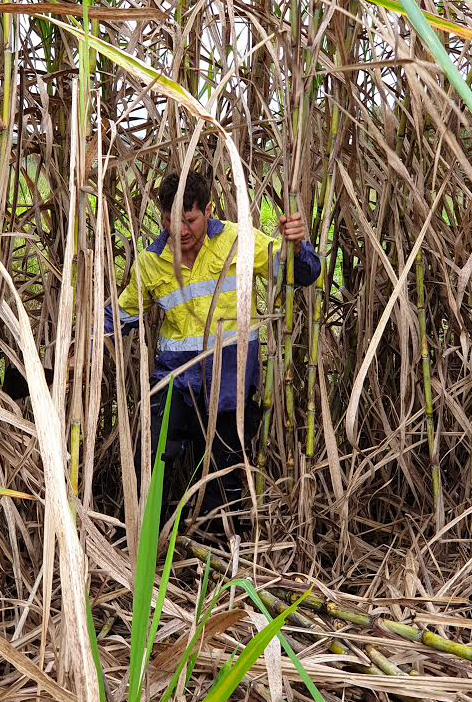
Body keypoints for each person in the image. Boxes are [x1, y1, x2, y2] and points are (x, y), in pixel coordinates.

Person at [104, 170, 321, 534]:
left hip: (230, 381)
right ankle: (145, 549)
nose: (180, 231)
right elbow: (120, 316)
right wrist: (84, 343)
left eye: (189, 220)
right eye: (171, 222)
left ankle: (226, 553)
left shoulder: (238, 241)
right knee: (155, 457)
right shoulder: (152, 260)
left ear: (208, 210)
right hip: (174, 380)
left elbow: (302, 273)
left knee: (227, 468)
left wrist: (298, 247)